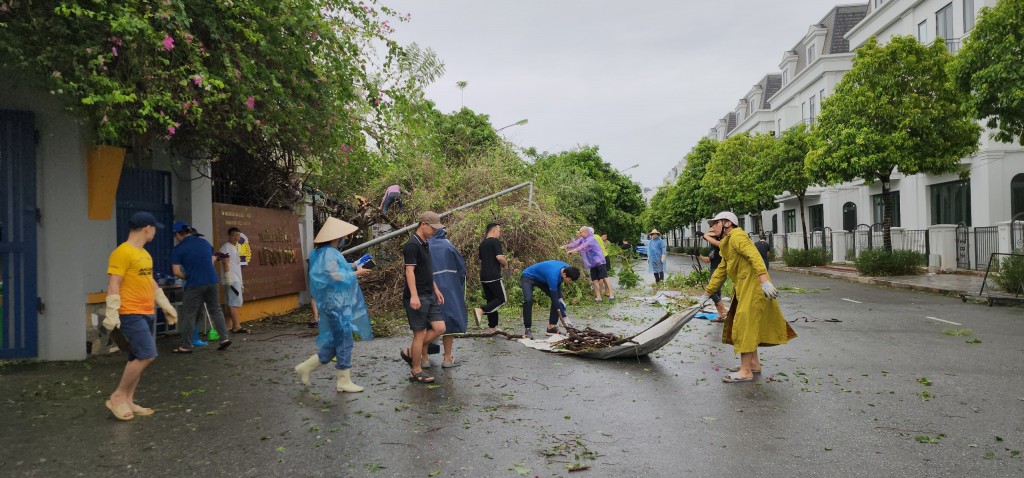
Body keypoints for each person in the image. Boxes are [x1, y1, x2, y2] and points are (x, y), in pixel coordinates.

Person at [698, 211, 796, 383]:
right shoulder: (727, 244)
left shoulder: (737, 236)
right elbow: (721, 271)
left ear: (727, 223)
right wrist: (706, 294)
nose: (712, 227)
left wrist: (764, 280)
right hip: (745, 287)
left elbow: (755, 256)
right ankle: (753, 364)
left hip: (755, 287)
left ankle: (745, 371)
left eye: (715, 223)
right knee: (750, 325)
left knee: (745, 325)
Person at [103, 211, 178, 420]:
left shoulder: (144, 254)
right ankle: (117, 396)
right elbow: (113, 283)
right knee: (147, 354)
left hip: (146, 312)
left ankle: (128, 399)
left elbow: (150, 281)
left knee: (136, 356)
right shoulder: (122, 252)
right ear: (147, 228)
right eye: (154, 228)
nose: (154, 232)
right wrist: (112, 312)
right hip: (130, 312)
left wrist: (164, 304)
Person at [294, 217, 372, 393]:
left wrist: (354, 264)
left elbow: (336, 268)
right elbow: (333, 275)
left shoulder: (320, 253)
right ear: (337, 237)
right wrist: (357, 273)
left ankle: (306, 367)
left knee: (338, 339)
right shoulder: (330, 253)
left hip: (332, 302)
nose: (345, 238)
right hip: (335, 302)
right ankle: (343, 380)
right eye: (344, 236)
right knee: (344, 338)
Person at [170, 221, 231, 353]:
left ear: (177, 234)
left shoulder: (178, 249)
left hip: (194, 284)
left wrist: (186, 276)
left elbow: (176, 272)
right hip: (212, 281)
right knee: (215, 310)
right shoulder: (204, 243)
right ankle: (224, 338)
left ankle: (186, 346)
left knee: (189, 315)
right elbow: (211, 260)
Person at [399, 211, 446, 384]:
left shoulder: (425, 243)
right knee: (419, 334)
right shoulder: (412, 245)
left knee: (440, 327)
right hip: (417, 295)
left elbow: (426, 270)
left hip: (429, 293)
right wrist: (414, 296)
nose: (435, 231)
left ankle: (412, 352)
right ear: (423, 224)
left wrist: (436, 289)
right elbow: (409, 271)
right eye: (433, 228)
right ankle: (416, 370)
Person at [428, 227, 467, 368]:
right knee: (448, 323)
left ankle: (424, 359)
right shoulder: (448, 246)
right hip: (448, 289)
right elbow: (461, 269)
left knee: (428, 323)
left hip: (427, 289)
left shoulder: (423, 245)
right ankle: (447, 358)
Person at [520, 260, 581, 339]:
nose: (571, 282)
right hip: (528, 276)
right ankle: (527, 329)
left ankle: (551, 328)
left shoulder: (566, 268)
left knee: (558, 302)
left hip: (542, 279)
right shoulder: (553, 276)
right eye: (570, 280)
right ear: (565, 275)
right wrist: (566, 319)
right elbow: (555, 298)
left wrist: (560, 299)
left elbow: (558, 284)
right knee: (528, 300)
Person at [474, 222, 508, 334]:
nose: (499, 233)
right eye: (499, 231)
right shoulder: (495, 241)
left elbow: (481, 260)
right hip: (493, 275)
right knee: (501, 299)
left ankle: (492, 327)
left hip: (484, 275)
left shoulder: (482, 243)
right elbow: (499, 257)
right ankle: (481, 310)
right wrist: (505, 264)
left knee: (492, 300)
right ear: (493, 231)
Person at [565, 226, 612, 302]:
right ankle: (599, 296)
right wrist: (566, 247)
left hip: (600, 260)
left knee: (604, 277)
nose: (580, 233)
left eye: (581, 232)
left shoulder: (592, 238)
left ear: (587, 232)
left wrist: (573, 251)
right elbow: (577, 244)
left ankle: (610, 295)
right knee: (595, 279)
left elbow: (583, 247)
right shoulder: (584, 239)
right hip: (592, 262)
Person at [219, 227, 249, 334]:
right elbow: (225, 262)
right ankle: (237, 326)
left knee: (229, 303)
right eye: (235, 235)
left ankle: (228, 326)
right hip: (232, 280)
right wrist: (228, 277)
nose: (237, 238)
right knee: (233, 304)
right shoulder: (226, 247)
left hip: (236, 279)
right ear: (229, 235)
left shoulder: (233, 247)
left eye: (238, 235)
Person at [698, 230, 729, 321]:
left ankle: (723, 311)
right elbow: (708, 260)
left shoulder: (720, 244)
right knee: (717, 293)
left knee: (712, 292)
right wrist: (699, 255)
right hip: (713, 270)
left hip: (719, 271)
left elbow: (716, 242)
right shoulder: (712, 247)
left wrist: (705, 235)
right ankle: (720, 315)